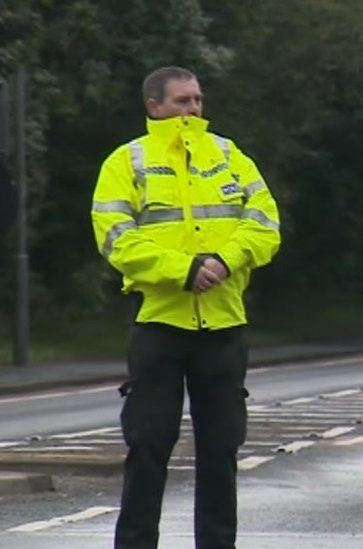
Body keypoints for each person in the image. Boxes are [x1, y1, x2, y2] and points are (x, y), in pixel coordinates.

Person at [90, 66, 281, 549]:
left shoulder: (229, 155)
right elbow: (116, 238)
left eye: (197, 100)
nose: (193, 109)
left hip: (223, 327)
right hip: (160, 326)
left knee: (220, 452)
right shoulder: (126, 161)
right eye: (181, 101)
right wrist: (183, 269)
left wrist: (223, 260)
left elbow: (263, 224)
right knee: (149, 448)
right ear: (154, 106)